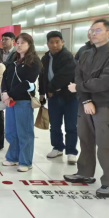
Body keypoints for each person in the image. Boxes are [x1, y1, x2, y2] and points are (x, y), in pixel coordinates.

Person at [66, 19, 109, 198]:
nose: (93, 33)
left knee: (105, 144)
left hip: (104, 104)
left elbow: (104, 82)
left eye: (98, 30)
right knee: (85, 140)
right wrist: (85, 100)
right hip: (86, 104)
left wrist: (79, 88)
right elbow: (78, 76)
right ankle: (85, 173)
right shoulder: (86, 54)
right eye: (91, 30)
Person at [1, 33, 42, 173]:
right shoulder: (13, 59)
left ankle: (25, 161)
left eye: (22, 43)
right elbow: (5, 77)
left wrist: (10, 94)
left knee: (24, 132)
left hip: (23, 100)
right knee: (11, 131)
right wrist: (4, 92)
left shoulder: (34, 61)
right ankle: (13, 157)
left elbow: (27, 82)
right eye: (17, 42)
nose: (19, 45)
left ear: (29, 44)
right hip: (10, 100)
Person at [39, 31, 79, 165]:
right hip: (53, 98)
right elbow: (42, 76)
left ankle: (71, 151)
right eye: (52, 42)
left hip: (70, 97)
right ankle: (57, 147)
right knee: (55, 124)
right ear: (47, 44)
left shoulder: (67, 56)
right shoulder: (45, 58)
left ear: (62, 42)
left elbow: (64, 76)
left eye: (57, 42)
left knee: (71, 126)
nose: (55, 45)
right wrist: (42, 92)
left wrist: (50, 89)